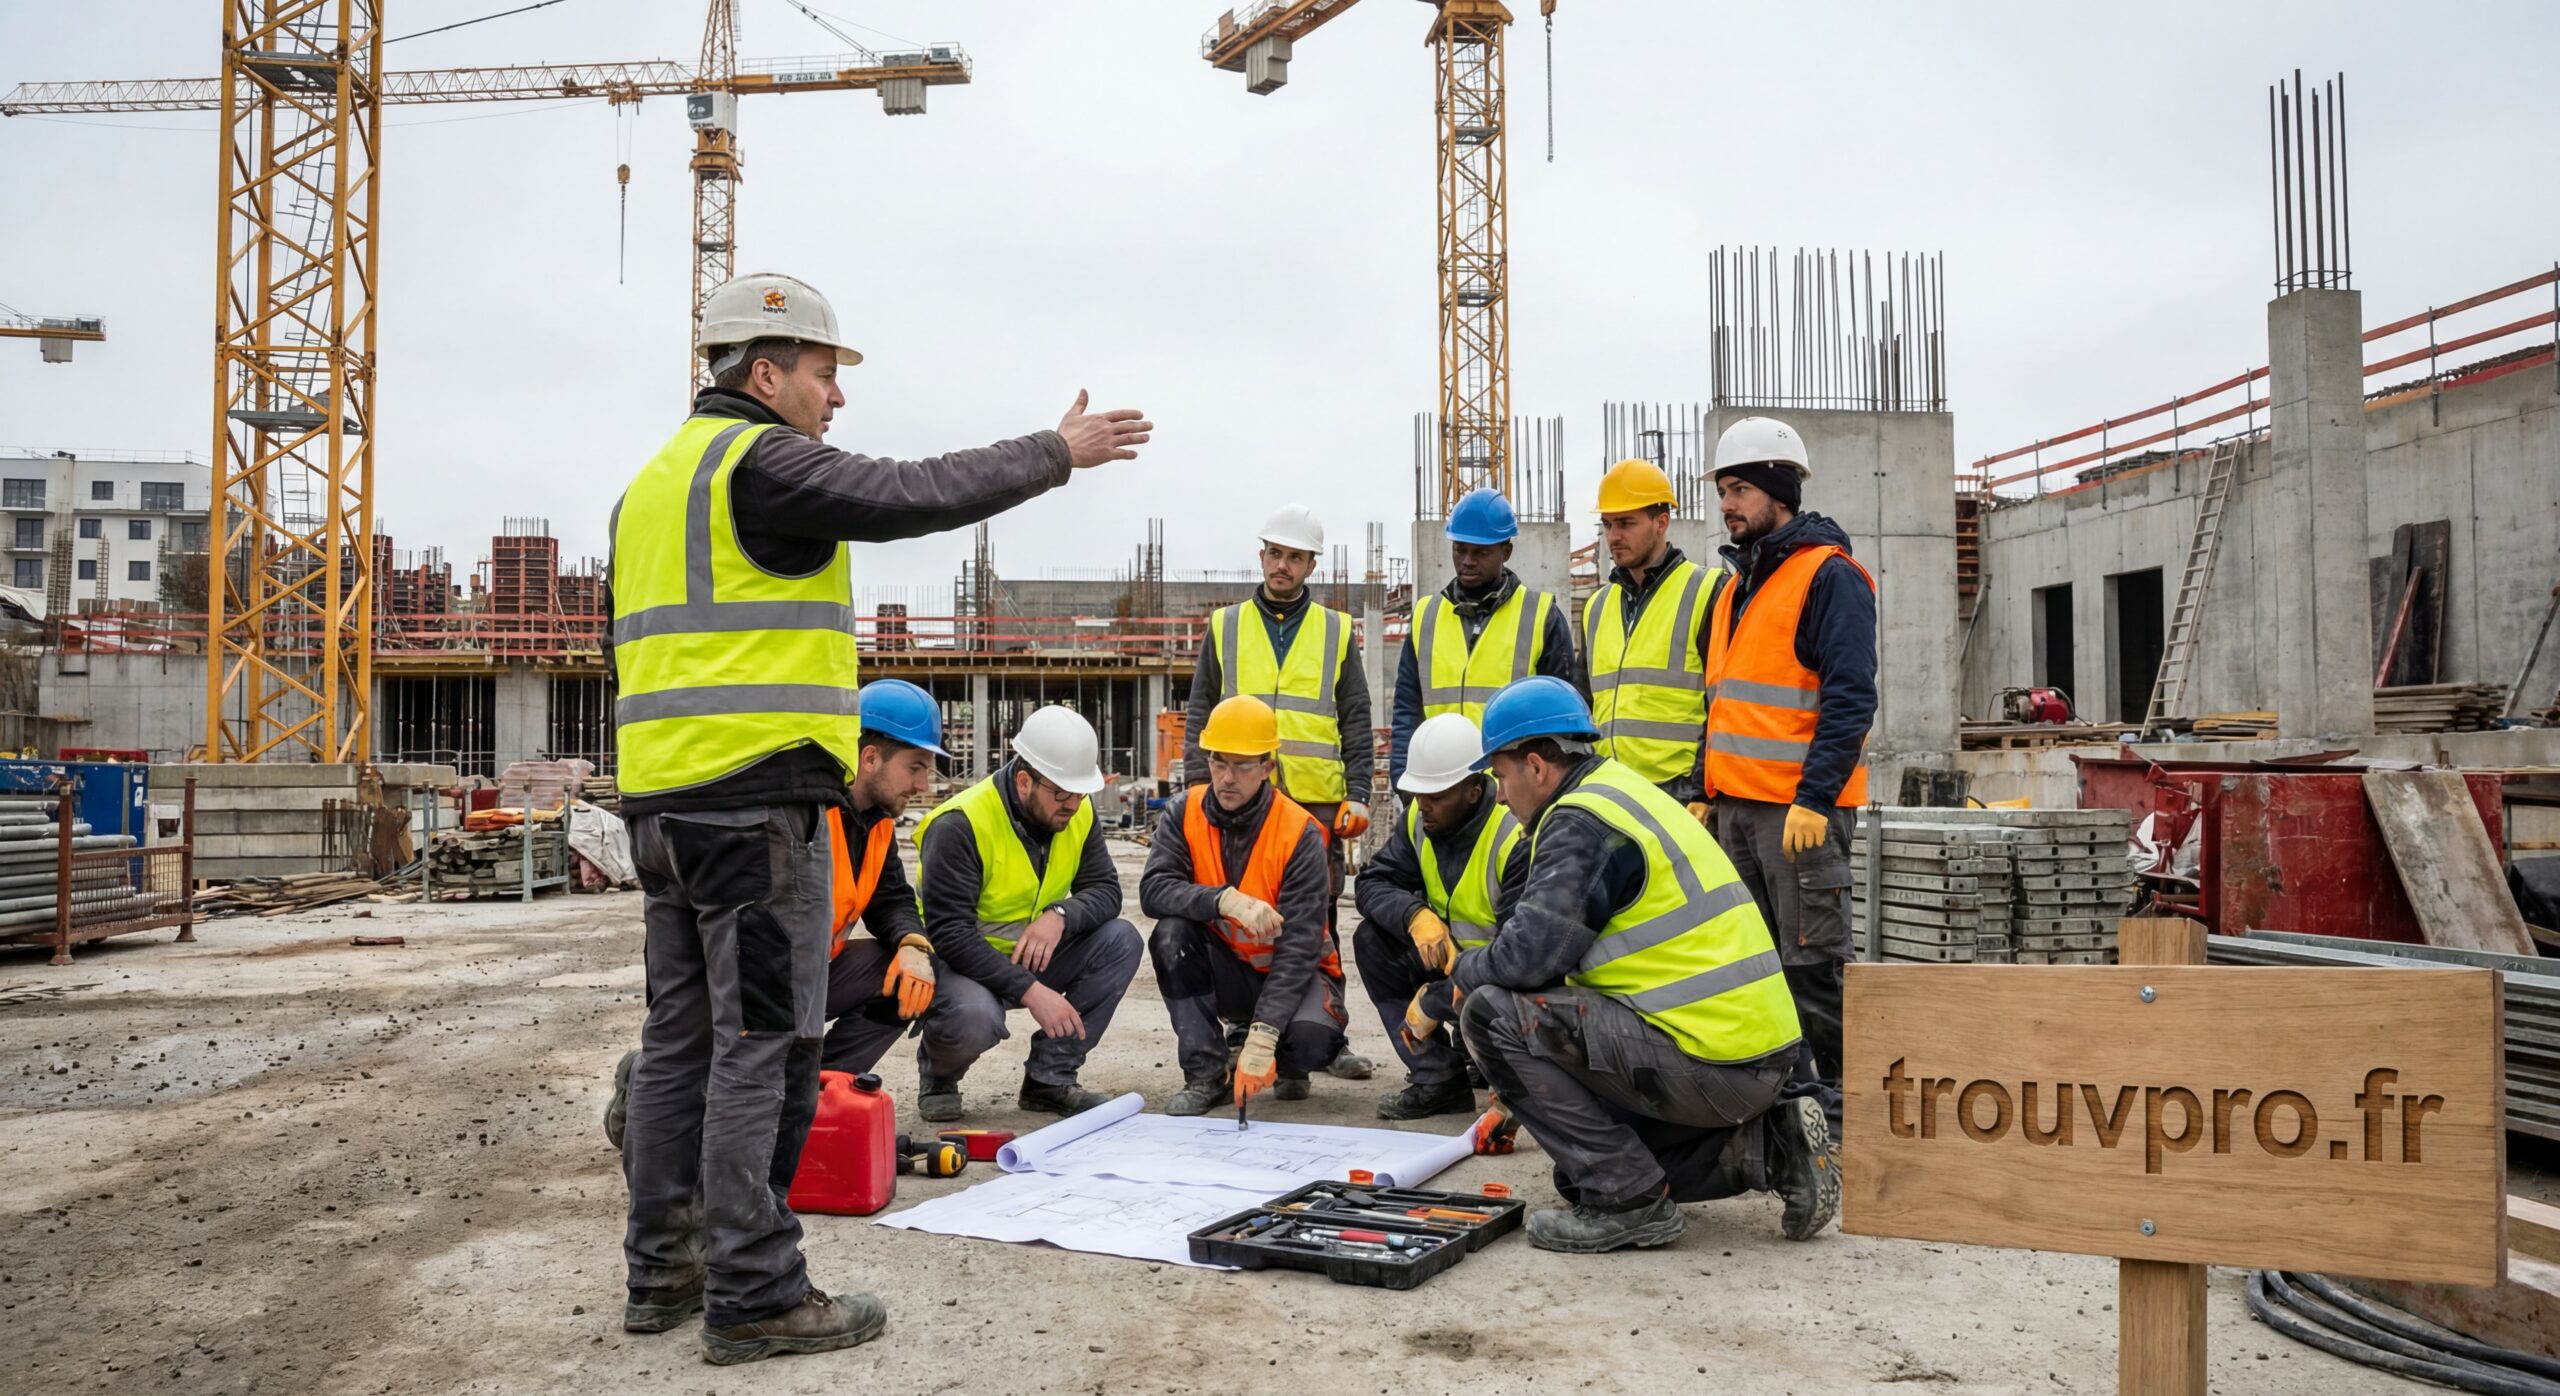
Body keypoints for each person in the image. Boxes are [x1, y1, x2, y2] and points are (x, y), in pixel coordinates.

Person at [611, 270, 1149, 1366]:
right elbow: (908, 492)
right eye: (821, 373)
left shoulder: (648, 488)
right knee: (767, 1045)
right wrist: (1057, 453)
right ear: (763, 371)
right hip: (756, 804)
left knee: (681, 1044)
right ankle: (755, 1290)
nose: (834, 398)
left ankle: (663, 1270)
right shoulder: (756, 461)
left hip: (661, 809)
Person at [1408, 677, 1837, 1254]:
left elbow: (1525, 961)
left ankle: (1632, 1204)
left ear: (1536, 766)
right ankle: (1769, 1150)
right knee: (1576, 1174)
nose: (1500, 796)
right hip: (1750, 1057)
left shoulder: (1579, 823)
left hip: (1710, 1058)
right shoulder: (1622, 792)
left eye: (1502, 775)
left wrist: (1448, 989)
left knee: (1490, 1013)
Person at [606, 678, 948, 1156]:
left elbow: (889, 898)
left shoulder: (879, 824)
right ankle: (645, 1078)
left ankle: (811, 1093)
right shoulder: (805, 814)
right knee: (711, 1076)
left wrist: (913, 945)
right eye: (915, 767)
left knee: (909, 980)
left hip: (812, 970)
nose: (922, 784)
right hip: (744, 976)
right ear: (869, 758)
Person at [1704, 416, 1878, 1139]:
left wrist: (1814, 797)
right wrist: (1701, 789)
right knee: (1752, 966)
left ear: (1780, 491)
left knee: (1811, 965)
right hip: (1738, 811)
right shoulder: (1735, 587)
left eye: (1741, 488)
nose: (1728, 504)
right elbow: (1717, 702)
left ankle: (1833, 1115)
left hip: (1798, 817)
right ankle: (1780, 1105)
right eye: (1722, 491)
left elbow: (1851, 696)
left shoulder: (1829, 577)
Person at [1182, 504, 1373, 1082]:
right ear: (1261, 554)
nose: (1281, 565)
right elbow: (1199, 711)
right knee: (1233, 907)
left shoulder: (1336, 631)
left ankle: (1326, 1031)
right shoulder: (1227, 625)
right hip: (1239, 796)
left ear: (1312, 563)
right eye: (1274, 553)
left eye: (1294, 556)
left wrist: (1359, 790)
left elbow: (1355, 717)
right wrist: (1198, 788)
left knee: (1318, 921)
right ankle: (1246, 1022)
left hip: (1314, 800)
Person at [901, 706, 1140, 1121]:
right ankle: (939, 1075)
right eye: (1062, 793)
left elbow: (1105, 890)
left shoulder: (1076, 811)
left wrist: (1061, 914)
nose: (1073, 804)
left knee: (1122, 940)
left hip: (1033, 954)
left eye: (1080, 792)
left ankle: (1050, 1079)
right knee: (976, 1016)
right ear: (1025, 780)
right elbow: (950, 933)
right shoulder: (960, 824)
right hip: (963, 965)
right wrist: (1032, 991)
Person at [1142, 695, 1349, 1115]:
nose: (1227, 778)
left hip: (1294, 974)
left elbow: (1299, 946)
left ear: (1268, 767)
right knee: (1171, 936)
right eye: (1219, 763)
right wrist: (1221, 900)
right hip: (1229, 972)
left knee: (1313, 1040)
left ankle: (1291, 1064)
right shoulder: (1185, 813)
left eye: (1242, 765)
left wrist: (1266, 1033)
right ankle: (1205, 1074)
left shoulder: (1300, 832)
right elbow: (1154, 890)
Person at [1351, 713, 1525, 1120]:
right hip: (1455, 970)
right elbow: (1372, 883)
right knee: (1372, 940)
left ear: (1472, 789)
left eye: (1436, 795)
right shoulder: (1419, 818)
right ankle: (1438, 1080)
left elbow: (1527, 961)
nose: (1422, 805)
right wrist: (1414, 915)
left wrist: (1436, 999)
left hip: (1503, 983)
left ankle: (1497, 1067)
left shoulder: (1513, 834)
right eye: (1416, 793)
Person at [1387, 487, 1578, 791]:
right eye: (1460, 549)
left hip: (1512, 794)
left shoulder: (1540, 617)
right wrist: (1403, 783)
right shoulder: (1427, 616)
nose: (1467, 561)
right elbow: (1407, 710)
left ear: (1506, 552)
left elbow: (1561, 721)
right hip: (1437, 789)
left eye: (1480, 552)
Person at [1581, 459, 1725, 818]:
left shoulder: (1707, 591)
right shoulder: (1597, 606)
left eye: (1626, 523)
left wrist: (1704, 791)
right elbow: (1584, 706)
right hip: (1609, 793)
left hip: (1680, 795)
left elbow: (1724, 705)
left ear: (1661, 523)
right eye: (1608, 524)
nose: (1614, 536)